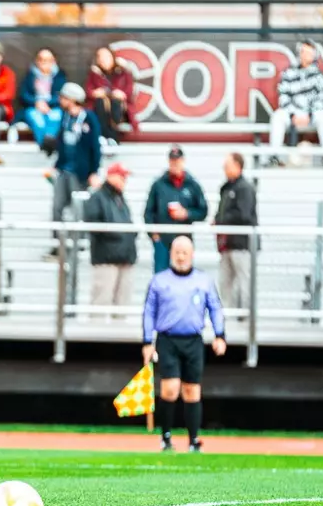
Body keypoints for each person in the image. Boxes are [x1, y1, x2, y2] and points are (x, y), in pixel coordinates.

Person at [141, 235, 226, 452]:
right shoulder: (159, 281)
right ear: (171, 254)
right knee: (170, 388)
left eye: (185, 253)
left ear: (192, 254)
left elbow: (215, 307)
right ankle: (166, 437)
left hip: (193, 340)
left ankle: (193, 439)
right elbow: (149, 312)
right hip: (168, 339)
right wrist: (147, 341)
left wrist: (220, 335)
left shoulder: (203, 280)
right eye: (177, 252)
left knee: (192, 390)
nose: (181, 257)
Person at [82, 160, 138, 308]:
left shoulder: (119, 198)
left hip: (124, 257)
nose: (124, 180)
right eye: (121, 176)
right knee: (101, 300)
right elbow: (93, 224)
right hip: (106, 258)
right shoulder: (97, 197)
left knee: (122, 303)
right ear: (111, 176)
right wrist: (117, 235)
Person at [144, 145, 208, 273]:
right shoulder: (158, 184)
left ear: (183, 161)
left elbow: (203, 211)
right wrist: (153, 234)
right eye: (172, 161)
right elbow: (148, 212)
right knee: (161, 276)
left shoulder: (192, 185)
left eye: (177, 160)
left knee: (183, 276)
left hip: (184, 240)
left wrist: (187, 214)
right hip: (163, 239)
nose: (175, 164)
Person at [45, 83, 100, 228]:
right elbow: (62, 145)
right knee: (57, 206)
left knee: (78, 209)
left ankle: (78, 238)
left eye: (63, 97)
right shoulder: (65, 117)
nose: (60, 100)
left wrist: (94, 171)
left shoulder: (88, 118)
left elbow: (95, 147)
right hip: (64, 170)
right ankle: (57, 239)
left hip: (80, 172)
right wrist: (56, 166)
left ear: (72, 99)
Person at [268, 40, 323, 159]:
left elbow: (321, 99)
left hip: (312, 114)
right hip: (292, 113)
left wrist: (309, 115)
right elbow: (283, 96)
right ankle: (274, 157)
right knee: (277, 116)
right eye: (303, 52)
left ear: (314, 55)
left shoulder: (319, 76)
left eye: (309, 53)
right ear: (299, 53)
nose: (306, 55)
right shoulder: (288, 73)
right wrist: (293, 115)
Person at [215, 152, 258, 310]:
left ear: (238, 166)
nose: (224, 168)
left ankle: (246, 316)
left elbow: (243, 215)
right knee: (224, 282)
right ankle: (225, 315)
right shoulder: (227, 188)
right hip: (227, 243)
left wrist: (221, 220)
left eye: (228, 165)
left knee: (244, 282)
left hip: (242, 244)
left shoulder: (244, 188)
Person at [85, 45, 137, 138]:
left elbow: (129, 90)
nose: (102, 59)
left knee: (115, 103)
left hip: (119, 110)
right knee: (100, 102)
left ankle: (107, 137)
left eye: (106, 56)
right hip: (100, 109)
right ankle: (110, 138)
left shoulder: (123, 72)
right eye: (99, 56)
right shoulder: (94, 73)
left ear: (112, 57)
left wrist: (122, 94)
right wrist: (95, 93)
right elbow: (88, 90)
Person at [21, 47, 66, 150]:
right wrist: (37, 103)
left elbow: (61, 95)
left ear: (54, 61)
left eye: (48, 60)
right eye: (41, 59)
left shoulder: (60, 76)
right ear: (37, 61)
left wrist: (46, 104)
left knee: (55, 118)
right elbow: (24, 95)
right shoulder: (30, 75)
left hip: (53, 107)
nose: (44, 63)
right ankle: (46, 148)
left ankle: (48, 146)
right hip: (34, 107)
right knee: (38, 122)